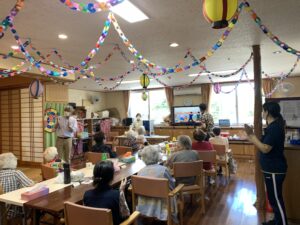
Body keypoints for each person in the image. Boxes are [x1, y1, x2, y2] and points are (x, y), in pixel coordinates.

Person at [244, 102, 287, 225]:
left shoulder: (274, 128)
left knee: (276, 200)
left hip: (274, 169)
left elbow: (265, 148)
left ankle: (282, 222)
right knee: (273, 199)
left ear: (267, 112)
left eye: (263, 111)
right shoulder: (273, 126)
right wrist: (253, 136)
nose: (262, 113)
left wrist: (252, 136)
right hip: (271, 169)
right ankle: (277, 221)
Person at [137, 146, 177, 222]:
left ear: (143, 158)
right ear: (157, 156)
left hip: (145, 204)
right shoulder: (164, 170)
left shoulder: (140, 172)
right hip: (162, 203)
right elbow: (172, 186)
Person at [83, 161, 130, 225]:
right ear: (111, 177)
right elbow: (126, 215)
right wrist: (121, 192)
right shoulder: (117, 194)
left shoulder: (86, 195)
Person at [0, 153, 34, 220]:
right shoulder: (16, 173)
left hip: (2, 211)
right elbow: (30, 184)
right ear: (14, 162)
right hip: (11, 210)